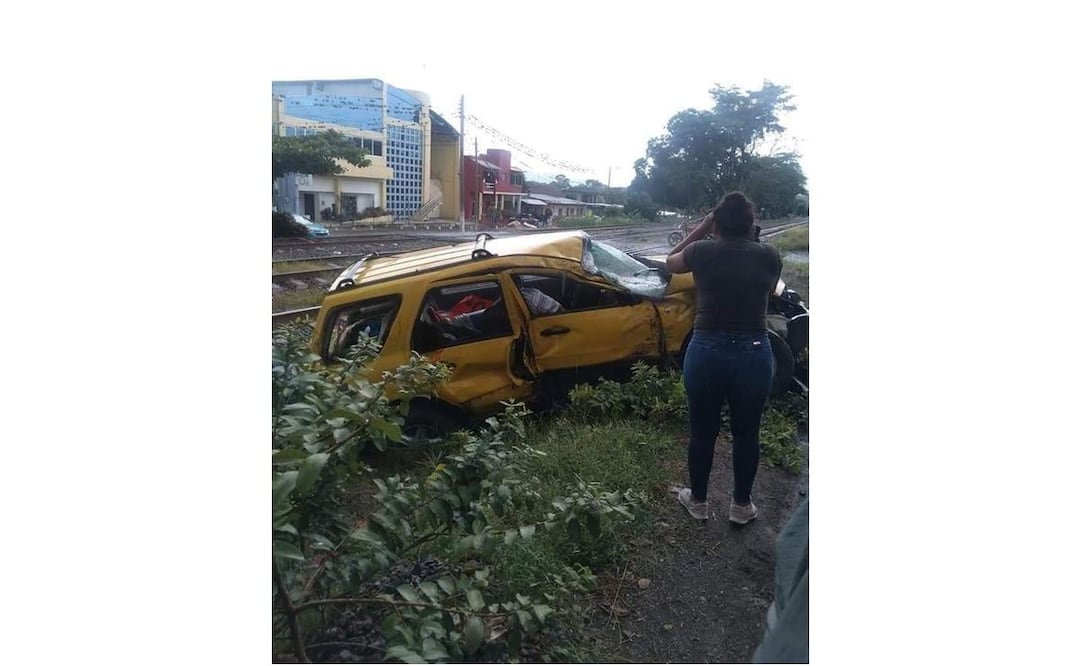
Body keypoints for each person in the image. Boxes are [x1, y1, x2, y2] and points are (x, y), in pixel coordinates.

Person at [665, 192, 782, 523]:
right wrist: (751, 240)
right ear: (750, 224)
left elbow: (669, 262)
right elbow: (768, 288)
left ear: (716, 223)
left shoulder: (701, 251)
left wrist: (702, 229)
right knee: (748, 432)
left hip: (707, 350)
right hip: (754, 352)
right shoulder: (770, 256)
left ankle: (698, 502)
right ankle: (741, 506)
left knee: (703, 431)